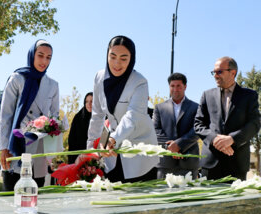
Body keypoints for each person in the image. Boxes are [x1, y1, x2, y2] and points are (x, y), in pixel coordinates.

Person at [87, 35, 159, 183]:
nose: (117, 63)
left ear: (131, 59)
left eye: (124, 58)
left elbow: (132, 116)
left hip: (138, 148)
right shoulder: (99, 78)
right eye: (112, 56)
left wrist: (113, 139)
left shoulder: (140, 82)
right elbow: (97, 115)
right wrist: (90, 152)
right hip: (112, 150)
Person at [0, 39, 59, 190]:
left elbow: (55, 116)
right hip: (16, 142)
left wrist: (51, 153)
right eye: (40, 55)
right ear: (32, 55)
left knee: (35, 194)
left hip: (39, 146)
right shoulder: (17, 78)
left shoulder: (53, 85)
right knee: (11, 192)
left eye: (48, 57)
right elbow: (6, 115)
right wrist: (3, 147)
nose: (44, 61)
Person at [194, 57, 260, 180]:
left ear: (233, 72)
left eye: (219, 72)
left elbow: (254, 124)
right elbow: (198, 124)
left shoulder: (249, 96)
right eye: (214, 72)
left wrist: (232, 139)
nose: (215, 75)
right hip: (210, 163)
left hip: (237, 163)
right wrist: (215, 139)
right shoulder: (207, 95)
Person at [153, 73, 199, 179]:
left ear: (185, 87)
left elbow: (197, 129)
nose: (175, 89)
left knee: (189, 196)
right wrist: (170, 147)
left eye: (178, 86)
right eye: (172, 86)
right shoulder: (159, 108)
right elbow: (156, 130)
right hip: (165, 163)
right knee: (164, 195)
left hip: (189, 163)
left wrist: (179, 145)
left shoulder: (196, 107)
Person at [67, 92, 93, 164]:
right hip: (78, 157)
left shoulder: (102, 117)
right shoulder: (78, 117)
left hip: (95, 155)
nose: (89, 104)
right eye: (86, 101)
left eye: (92, 101)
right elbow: (71, 139)